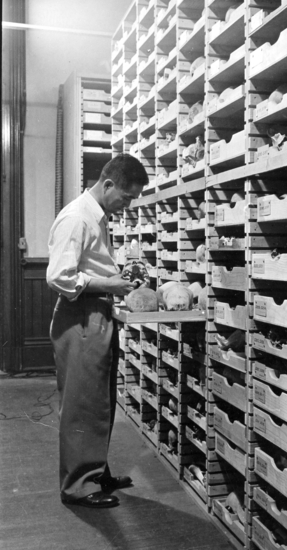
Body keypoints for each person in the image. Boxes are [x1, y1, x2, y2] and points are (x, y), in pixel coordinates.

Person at [47, 154, 148, 508]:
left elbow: (88, 265)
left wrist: (115, 282)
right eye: (127, 196)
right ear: (107, 185)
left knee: (100, 400)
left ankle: (96, 472)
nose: (128, 204)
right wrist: (109, 282)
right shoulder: (77, 218)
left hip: (97, 313)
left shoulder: (97, 216)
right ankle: (77, 486)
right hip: (81, 317)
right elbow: (59, 276)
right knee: (82, 404)